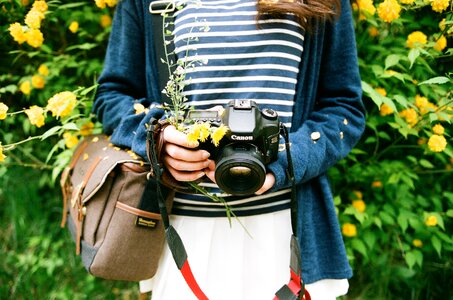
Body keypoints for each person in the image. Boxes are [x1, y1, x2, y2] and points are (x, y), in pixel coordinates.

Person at [93, 0, 366, 298]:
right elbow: (112, 96)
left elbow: (343, 108)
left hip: (287, 227)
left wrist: (285, 162)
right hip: (185, 229)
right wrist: (158, 138)